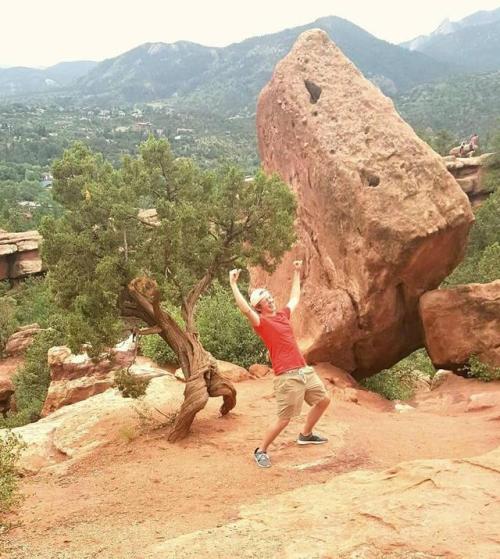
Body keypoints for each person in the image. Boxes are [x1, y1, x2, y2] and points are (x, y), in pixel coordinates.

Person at [229, 261, 331, 468]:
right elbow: (245, 309)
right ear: (259, 307)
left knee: (323, 401)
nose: (271, 301)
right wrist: (233, 285)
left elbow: (295, 298)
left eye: (270, 298)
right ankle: (261, 450)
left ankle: (306, 434)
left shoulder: (283, 315)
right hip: (287, 375)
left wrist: (296, 272)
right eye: (266, 300)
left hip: (304, 370)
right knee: (284, 419)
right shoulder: (262, 323)